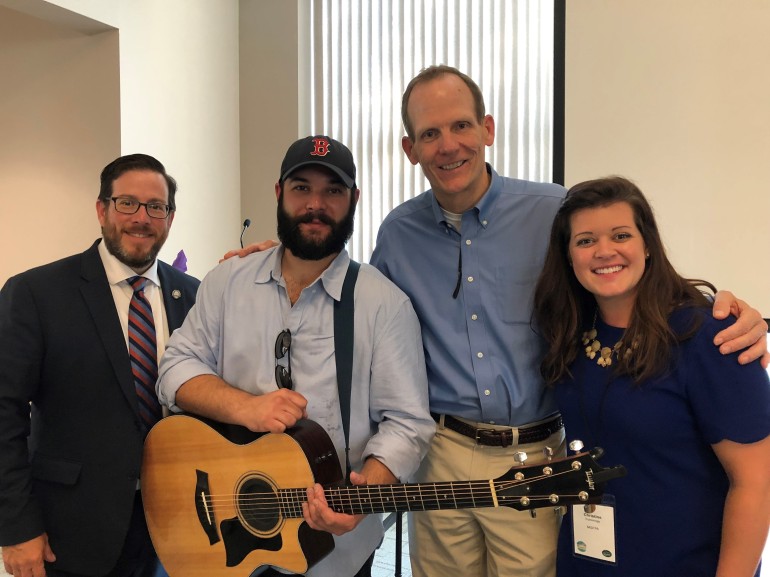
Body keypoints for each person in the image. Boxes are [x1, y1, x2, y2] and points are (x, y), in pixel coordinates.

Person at [367, 65, 770, 577]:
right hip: (441, 454)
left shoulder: (553, 211)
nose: (448, 145)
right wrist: (284, 259)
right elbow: (368, 318)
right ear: (411, 150)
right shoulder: (398, 234)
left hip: (536, 458)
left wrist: (734, 309)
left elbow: (622, 274)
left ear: (487, 129)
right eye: (430, 134)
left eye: (461, 126)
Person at [155, 135, 434, 577]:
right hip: (226, 533)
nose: (315, 204)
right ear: (279, 193)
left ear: (354, 199)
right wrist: (245, 406)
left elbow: (407, 422)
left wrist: (362, 502)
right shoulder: (226, 282)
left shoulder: (384, 305)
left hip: (335, 552)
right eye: (302, 187)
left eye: (333, 191)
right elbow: (175, 368)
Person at [532, 176, 770, 577]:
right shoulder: (572, 335)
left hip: (682, 563)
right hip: (587, 557)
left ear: (647, 245)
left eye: (620, 235)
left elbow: (756, 482)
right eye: (585, 240)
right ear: (569, 256)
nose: (604, 251)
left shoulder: (709, 336)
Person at [0, 154, 200, 577]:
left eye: (155, 207)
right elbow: (4, 414)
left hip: (180, 525)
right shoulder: (37, 294)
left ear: (170, 217)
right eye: (127, 203)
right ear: (101, 209)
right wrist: (16, 527)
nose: (141, 218)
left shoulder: (195, 295)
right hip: (73, 531)